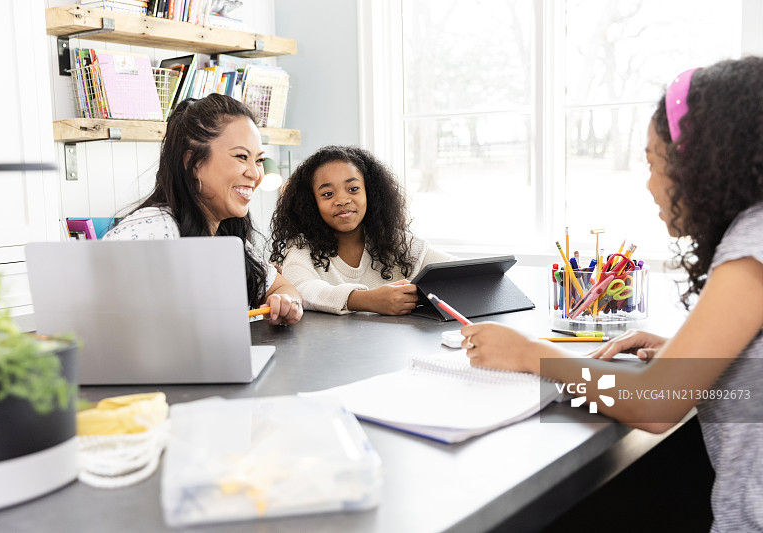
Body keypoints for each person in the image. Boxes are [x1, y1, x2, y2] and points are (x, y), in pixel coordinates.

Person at [460, 57, 763, 531]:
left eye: (652, 163)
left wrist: (529, 354)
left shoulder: (752, 246)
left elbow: (657, 404)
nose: (649, 184)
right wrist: (690, 353)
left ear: (700, 164)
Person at [103, 94, 302, 326]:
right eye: (241, 157)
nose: (256, 174)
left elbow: (281, 286)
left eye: (258, 160)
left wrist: (286, 301)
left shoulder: (226, 232)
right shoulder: (152, 230)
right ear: (193, 163)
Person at [268, 145, 455, 315]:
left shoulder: (398, 242)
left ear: (370, 194)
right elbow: (300, 289)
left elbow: (460, 272)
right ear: (310, 203)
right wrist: (368, 300)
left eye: (353, 189)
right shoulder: (302, 247)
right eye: (327, 194)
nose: (342, 200)